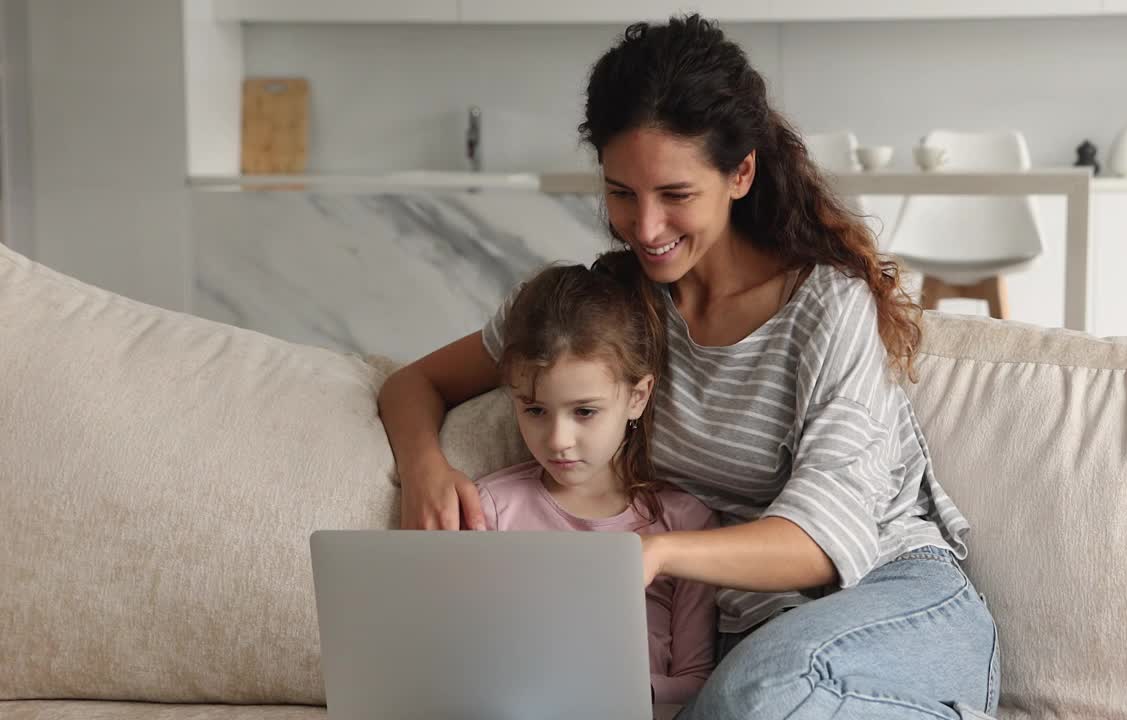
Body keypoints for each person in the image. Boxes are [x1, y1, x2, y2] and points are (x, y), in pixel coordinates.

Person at [377, 14, 1000, 719]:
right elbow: (413, 384)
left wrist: (658, 554)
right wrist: (425, 471)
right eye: (621, 193)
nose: (644, 228)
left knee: (755, 697)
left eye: (675, 195)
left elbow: (826, 541)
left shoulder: (828, 310)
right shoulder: (607, 310)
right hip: (754, 632)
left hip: (894, 602)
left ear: (740, 174)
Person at [473, 262, 718, 705]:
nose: (558, 441)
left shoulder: (686, 523)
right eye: (534, 410)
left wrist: (615, 692)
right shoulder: (491, 508)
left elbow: (696, 679)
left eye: (584, 412)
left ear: (637, 397)